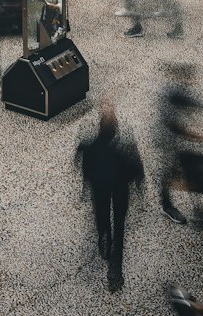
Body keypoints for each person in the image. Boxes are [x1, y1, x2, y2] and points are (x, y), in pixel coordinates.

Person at [75, 99, 145, 292]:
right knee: (119, 225)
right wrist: (140, 186)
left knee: (102, 215)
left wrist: (85, 187)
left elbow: (85, 168)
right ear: (116, 128)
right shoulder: (124, 144)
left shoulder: (90, 145)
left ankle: (103, 238)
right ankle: (115, 270)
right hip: (120, 189)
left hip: (100, 188)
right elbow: (136, 168)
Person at [156, 64, 203, 225]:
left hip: (179, 142)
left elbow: (193, 102)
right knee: (171, 172)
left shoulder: (179, 90)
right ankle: (166, 205)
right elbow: (171, 124)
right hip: (169, 142)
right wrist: (194, 135)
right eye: (188, 79)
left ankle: (197, 207)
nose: (191, 82)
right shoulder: (168, 94)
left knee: (183, 170)